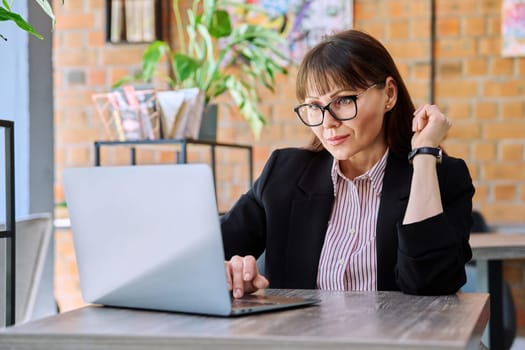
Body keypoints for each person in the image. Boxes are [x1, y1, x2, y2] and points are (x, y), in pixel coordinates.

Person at [221, 29, 474, 298]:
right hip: (299, 339)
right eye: (314, 106)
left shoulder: (443, 176)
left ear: (389, 94)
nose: (328, 122)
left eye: (342, 100)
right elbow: (209, 253)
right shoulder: (284, 173)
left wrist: (424, 155)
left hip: (397, 339)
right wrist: (230, 271)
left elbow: (430, 284)